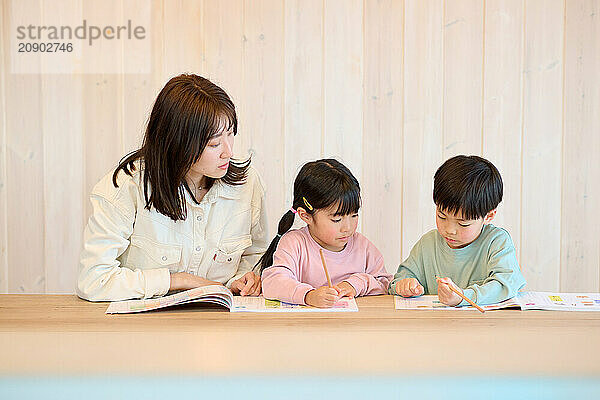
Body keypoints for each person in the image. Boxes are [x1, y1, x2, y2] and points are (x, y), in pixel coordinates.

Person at [77, 74, 267, 301]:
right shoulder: (125, 187)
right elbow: (93, 280)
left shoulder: (247, 183)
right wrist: (180, 280)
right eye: (214, 143)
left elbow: (256, 253)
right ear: (179, 142)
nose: (228, 152)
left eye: (231, 134)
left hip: (218, 326)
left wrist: (243, 279)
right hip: (142, 330)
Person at [390, 155, 526, 306]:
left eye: (463, 224)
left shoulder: (497, 242)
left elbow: (506, 284)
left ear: (488, 216)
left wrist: (463, 297)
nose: (449, 230)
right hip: (434, 325)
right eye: (442, 216)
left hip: (484, 326)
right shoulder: (428, 244)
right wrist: (405, 285)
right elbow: (400, 279)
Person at [260, 159, 392, 308]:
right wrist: (308, 295)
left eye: (354, 215)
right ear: (306, 216)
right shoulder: (294, 243)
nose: (348, 228)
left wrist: (355, 284)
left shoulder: (363, 247)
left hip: (352, 328)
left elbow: (386, 283)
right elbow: (273, 282)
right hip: (305, 328)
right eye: (336, 219)